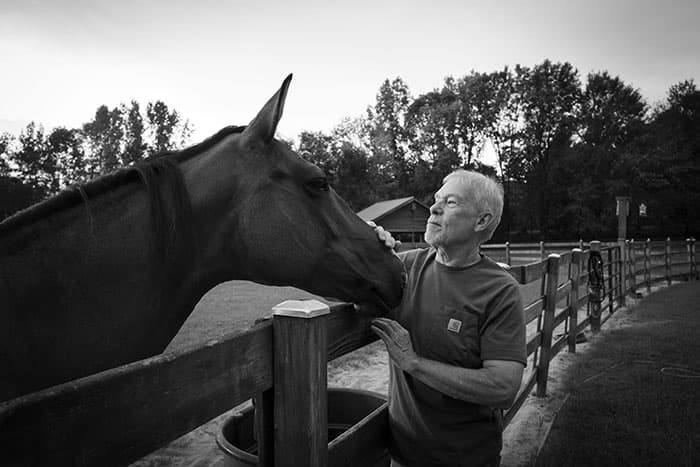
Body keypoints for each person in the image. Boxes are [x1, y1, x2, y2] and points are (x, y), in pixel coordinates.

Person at [370, 169, 526, 467]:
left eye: (451, 202)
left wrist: (412, 362)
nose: (433, 208)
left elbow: (503, 388)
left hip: (465, 458)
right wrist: (363, 248)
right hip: (401, 453)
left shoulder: (499, 290)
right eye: (437, 199)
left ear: (482, 221)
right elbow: (335, 295)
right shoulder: (405, 266)